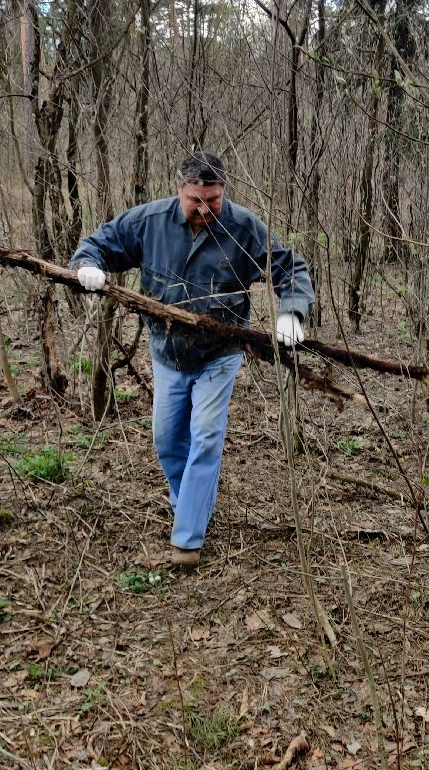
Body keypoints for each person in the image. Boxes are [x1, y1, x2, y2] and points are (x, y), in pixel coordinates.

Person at [70, 151, 315, 568]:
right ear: (179, 190)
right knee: (167, 440)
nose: (204, 210)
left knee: (204, 437)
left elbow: (289, 268)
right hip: (167, 353)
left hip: (220, 355)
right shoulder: (148, 223)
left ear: (223, 192)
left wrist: (292, 312)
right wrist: (87, 266)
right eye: (195, 200)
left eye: (213, 200)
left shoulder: (243, 228)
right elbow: (98, 245)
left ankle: (188, 537)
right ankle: (191, 504)